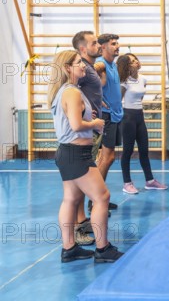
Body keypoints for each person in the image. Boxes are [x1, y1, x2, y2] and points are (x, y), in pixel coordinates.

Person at [48, 50, 123, 263]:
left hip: (67, 153)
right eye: (79, 62)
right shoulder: (71, 92)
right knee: (102, 197)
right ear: (67, 68)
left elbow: (73, 118)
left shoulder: (67, 90)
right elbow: (76, 125)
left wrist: (86, 116)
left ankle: (69, 248)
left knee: (71, 199)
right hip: (76, 154)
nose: (84, 65)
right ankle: (103, 248)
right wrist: (95, 124)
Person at [116, 53, 167, 194]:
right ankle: (127, 183)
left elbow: (141, 98)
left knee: (144, 150)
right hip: (128, 117)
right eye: (132, 61)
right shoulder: (124, 82)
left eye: (136, 59)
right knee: (128, 151)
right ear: (127, 66)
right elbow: (118, 101)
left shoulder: (143, 79)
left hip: (139, 116)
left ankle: (150, 181)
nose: (136, 62)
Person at [71, 31, 102, 245]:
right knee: (77, 185)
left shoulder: (89, 69)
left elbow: (87, 97)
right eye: (94, 43)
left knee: (81, 183)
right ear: (83, 49)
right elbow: (73, 97)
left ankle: (82, 220)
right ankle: (75, 227)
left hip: (91, 130)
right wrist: (86, 118)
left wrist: (97, 107)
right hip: (82, 134)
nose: (98, 45)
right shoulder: (81, 71)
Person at [92, 33, 123, 213]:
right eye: (113, 44)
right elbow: (88, 72)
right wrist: (96, 98)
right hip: (107, 116)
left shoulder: (113, 65)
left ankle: (98, 196)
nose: (117, 46)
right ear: (103, 47)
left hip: (116, 115)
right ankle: (96, 199)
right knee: (107, 158)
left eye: (117, 43)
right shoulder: (102, 64)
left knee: (108, 158)